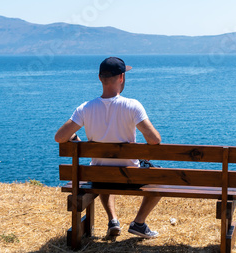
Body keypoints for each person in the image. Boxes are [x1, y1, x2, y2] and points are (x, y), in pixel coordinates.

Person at [54, 57, 162, 239]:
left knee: (103, 172)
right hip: (129, 175)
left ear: (99, 78)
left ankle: (113, 220)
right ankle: (139, 223)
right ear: (121, 77)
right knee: (160, 178)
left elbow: (60, 137)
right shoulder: (132, 105)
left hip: (98, 176)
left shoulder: (85, 108)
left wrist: (79, 141)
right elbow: (154, 140)